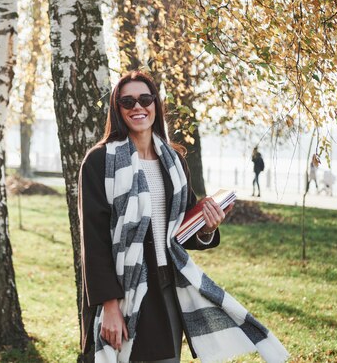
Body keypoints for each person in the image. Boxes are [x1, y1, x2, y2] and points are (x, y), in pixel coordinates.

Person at [79, 71, 288, 363]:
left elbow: (181, 229)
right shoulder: (100, 162)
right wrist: (109, 305)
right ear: (118, 109)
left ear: (156, 104)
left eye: (145, 99)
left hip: (167, 287)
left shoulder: (174, 160)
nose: (137, 107)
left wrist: (207, 227)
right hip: (123, 289)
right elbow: (94, 238)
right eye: (127, 102)